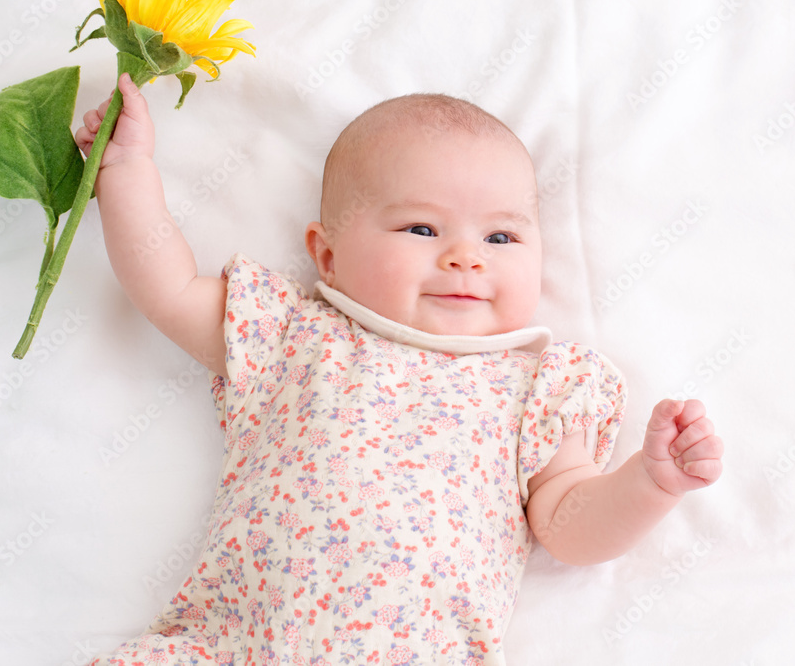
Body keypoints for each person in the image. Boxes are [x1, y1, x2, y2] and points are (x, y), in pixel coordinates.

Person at [76, 74, 723, 665]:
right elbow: (167, 286)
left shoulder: (539, 389)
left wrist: (649, 481)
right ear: (326, 255)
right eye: (421, 228)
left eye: (500, 238)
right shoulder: (292, 333)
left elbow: (569, 523)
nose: (466, 257)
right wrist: (126, 170)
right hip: (235, 646)